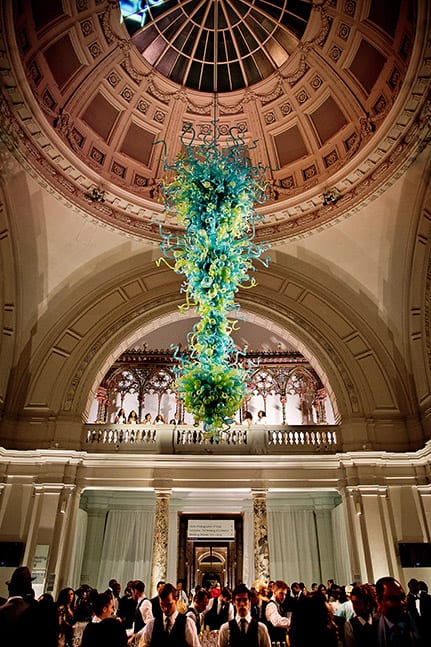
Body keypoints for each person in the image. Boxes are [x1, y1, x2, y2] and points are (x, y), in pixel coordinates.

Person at [140, 582, 200, 646]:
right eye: (162, 604)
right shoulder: (151, 624)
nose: (165, 609)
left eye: (169, 604)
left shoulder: (188, 623)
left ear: (176, 600)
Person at [375, 576, 423, 646]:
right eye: (393, 599)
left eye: (403, 597)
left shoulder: (418, 623)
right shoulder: (372, 631)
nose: (402, 602)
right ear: (380, 601)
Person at [129, 580, 153, 645]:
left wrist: (136, 635)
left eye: (132, 592)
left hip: (143, 642)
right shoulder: (139, 603)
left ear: (136, 591)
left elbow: (149, 624)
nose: (132, 595)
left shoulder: (145, 603)